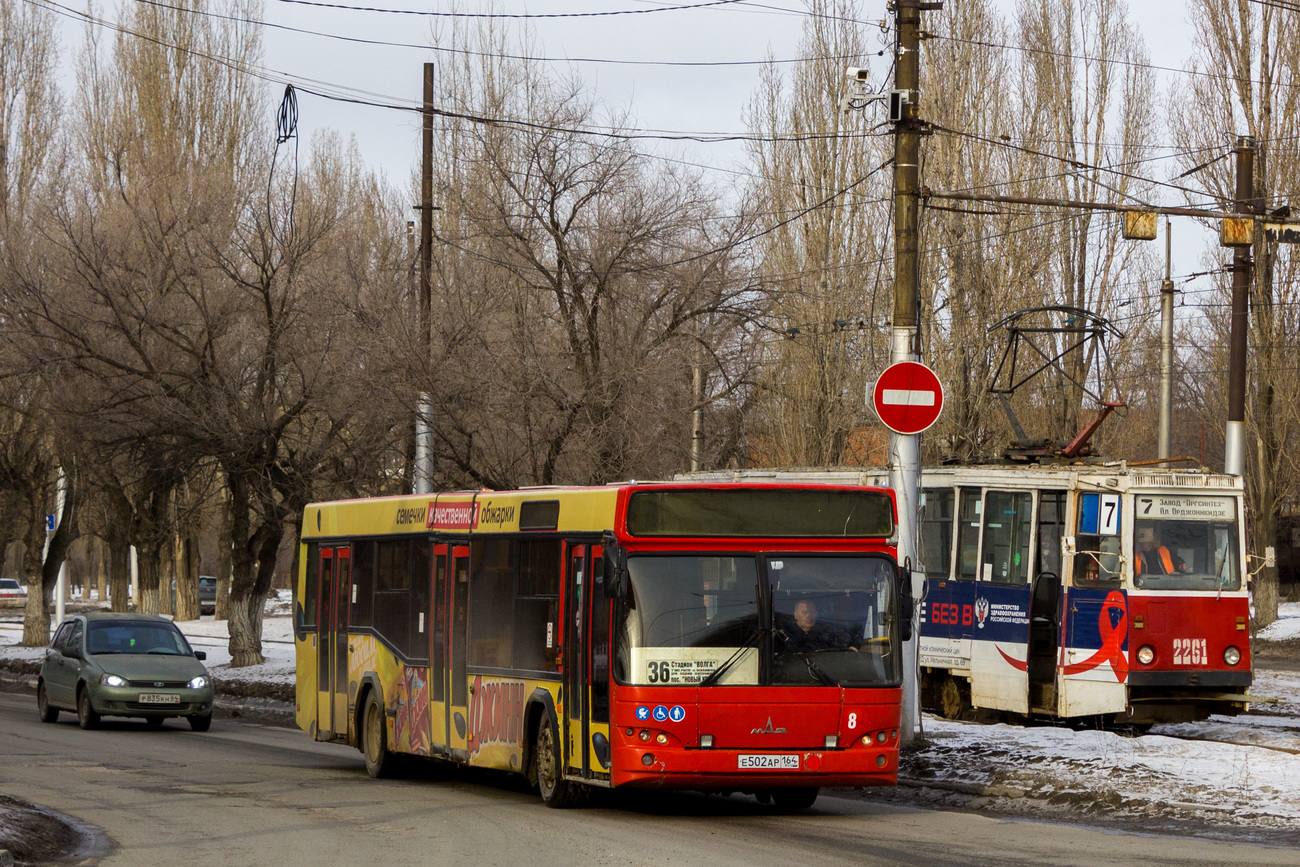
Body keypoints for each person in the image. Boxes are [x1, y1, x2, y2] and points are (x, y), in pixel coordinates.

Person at [782, 599, 855, 653]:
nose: (809, 616)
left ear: (816, 614)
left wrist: (847, 650)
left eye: (812, 612)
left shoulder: (824, 633)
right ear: (796, 616)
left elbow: (835, 650)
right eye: (805, 612)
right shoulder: (785, 635)